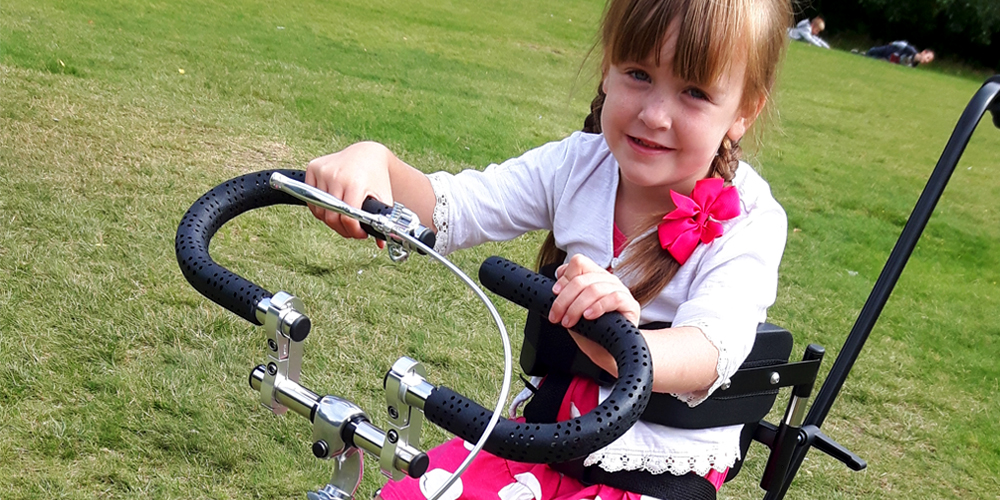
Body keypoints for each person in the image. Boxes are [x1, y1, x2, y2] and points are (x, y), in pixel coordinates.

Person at [306, 0, 791, 498]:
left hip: (655, 473)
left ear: (744, 111)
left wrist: (625, 348)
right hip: (544, 443)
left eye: (694, 92)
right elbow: (455, 208)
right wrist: (376, 164)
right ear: (607, 69)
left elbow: (714, 348)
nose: (654, 115)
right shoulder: (579, 165)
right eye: (639, 74)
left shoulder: (750, 222)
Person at [865, 41, 934, 67]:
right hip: (886, 51)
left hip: (885, 60)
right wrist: (893, 44)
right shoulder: (911, 51)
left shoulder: (913, 65)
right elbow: (902, 44)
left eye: (929, 61)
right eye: (927, 58)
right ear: (924, 52)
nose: (927, 61)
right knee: (871, 52)